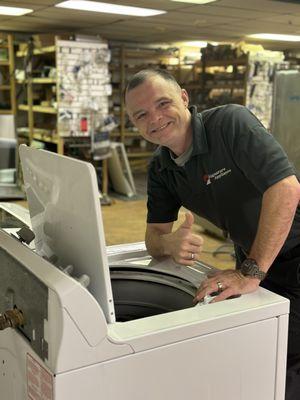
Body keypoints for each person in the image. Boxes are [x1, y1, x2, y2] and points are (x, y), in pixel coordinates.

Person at [125, 68, 300, 399]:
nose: (155, 118)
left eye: (163, 103)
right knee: (256, 349)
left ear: (184, 98)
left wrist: (250, 272)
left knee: (287, 361)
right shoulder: (161, 168)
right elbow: (154, 239)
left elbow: (286, 188)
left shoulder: (230, 124)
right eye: (142, 114)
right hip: (252, 256)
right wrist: (168, 242)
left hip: (292, 252)